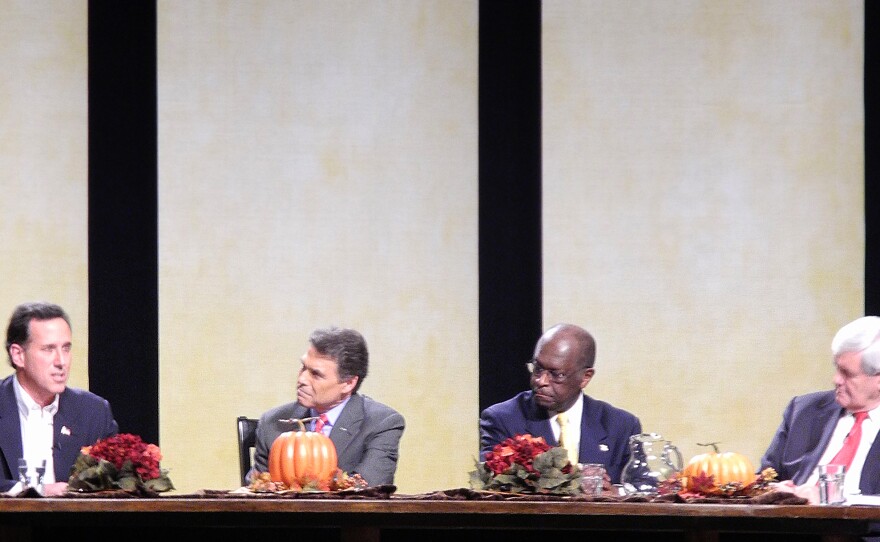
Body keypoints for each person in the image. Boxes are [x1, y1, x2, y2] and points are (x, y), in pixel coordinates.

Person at [479, 323, 642, 484]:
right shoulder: (503, 419)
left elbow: (642, 486)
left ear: (585, 377)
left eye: (557, 375)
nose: (540, 381)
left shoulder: (622, 425)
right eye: (537, 369)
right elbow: (494, 484)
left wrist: (617, 493)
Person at [251, 326, 405, 487]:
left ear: (348, 383)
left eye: (316, 374)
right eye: (303, 367)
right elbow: (257, 488)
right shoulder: (273, 423)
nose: (302, 379)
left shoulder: (382, 423)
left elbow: (367, 488)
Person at [0, 302, 119, 496]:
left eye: (66, 348)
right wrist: (38, 490)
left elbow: (114, 485)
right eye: (48, 349)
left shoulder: (93, 412)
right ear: (18, 355)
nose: (61, 362)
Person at [761, 316, 880, 501]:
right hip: (791, 525)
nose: (836, 380)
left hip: (864, 528)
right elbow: (765, 477)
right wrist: (774, 489)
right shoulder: (803, 411)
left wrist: (833, 500)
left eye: (847, 373)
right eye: (837, 368)